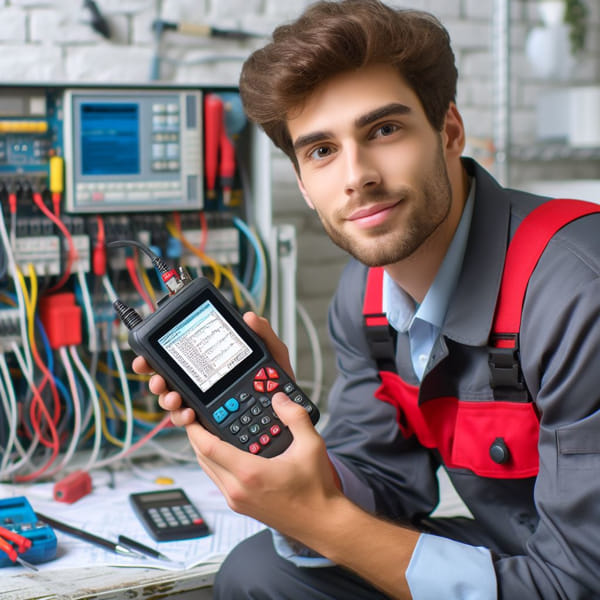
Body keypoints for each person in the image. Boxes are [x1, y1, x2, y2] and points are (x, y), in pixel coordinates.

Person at [133, 1, 600, 598]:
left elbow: (575, 585)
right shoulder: (365, 299)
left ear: (449, 130)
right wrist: (284, 451)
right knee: (262, 574)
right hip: (523, 547)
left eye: (383, 129)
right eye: (321, 151)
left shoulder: (578, 295)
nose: (357, 176)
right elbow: (384, 483)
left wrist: (321, 520)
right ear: (304, 185)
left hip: (577, 571)